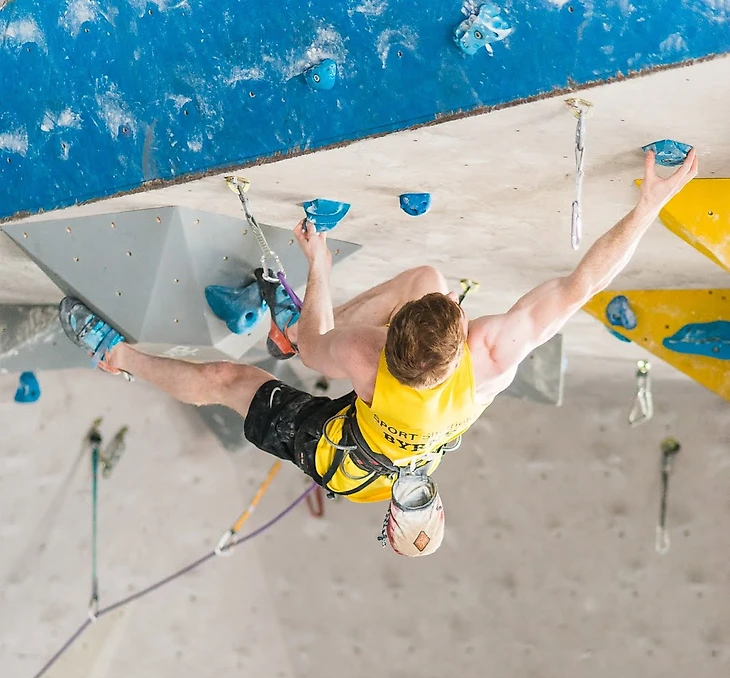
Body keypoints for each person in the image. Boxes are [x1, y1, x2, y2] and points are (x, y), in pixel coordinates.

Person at [59, 147, 698, 555]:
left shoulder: (369, 358)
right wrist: (649, 205)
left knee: (235, 378)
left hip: (348, 460)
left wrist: (319, 266)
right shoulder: (492, 359)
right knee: (425, 277)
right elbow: (584, 284)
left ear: (390, 350)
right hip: (396, 436)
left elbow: (313, 351)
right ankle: (281, 324)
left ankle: (121, 360)